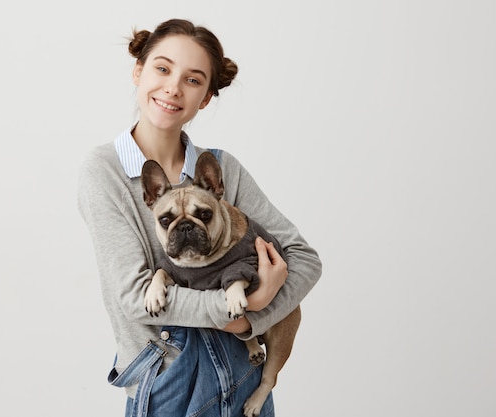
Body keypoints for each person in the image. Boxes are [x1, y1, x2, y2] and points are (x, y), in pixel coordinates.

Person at [78, 18, 322, 417]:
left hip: (245, 373)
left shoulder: (223, 169)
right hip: (167, 379)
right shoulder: (103, 170)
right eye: (162, 68)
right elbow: (135, 299)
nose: (173, 87)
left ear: (206, 97)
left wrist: (250, 322)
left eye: (193, 80)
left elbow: (306, 259)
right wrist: (252, 305)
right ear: (138, 71)